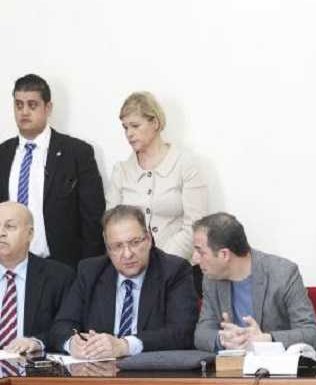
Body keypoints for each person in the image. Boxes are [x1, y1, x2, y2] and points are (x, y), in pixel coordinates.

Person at [49, 204, 197, 359]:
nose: (127, 254)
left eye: (135, 242)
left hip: (150, 369)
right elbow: (61, 326)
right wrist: (72, 343)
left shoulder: (174, 271)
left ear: (148, 240)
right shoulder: (90, 272)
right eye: (117, 246)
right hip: (97, 368)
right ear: (108, 249)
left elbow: (182, 332)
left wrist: (125, 345)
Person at [0, 73, 105, 268]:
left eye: (32, 105)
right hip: (8, 266)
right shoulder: (3, 154)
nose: (24, 112)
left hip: (61, 267)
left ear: (48, 108)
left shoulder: (76, 153)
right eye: (19, 105)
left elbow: (93, 218)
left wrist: (88, 271)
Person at [193, 212, 316, 354]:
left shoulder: (283, 273)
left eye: (201, 252)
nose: (195, 259)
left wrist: (267, 339)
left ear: (224, 254)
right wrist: (224, 339)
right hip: (233, 366)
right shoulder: (212, 279)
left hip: (276, 365)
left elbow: (313, 335)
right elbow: (201, 334)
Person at [106, 91, 208, 262]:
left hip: (177, 265)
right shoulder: (121, 170)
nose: (129, 134)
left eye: (135, 126)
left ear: (155, 123)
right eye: (125, 128)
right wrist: (132, 258)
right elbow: (111, 226)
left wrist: (162, 262)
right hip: (131, 265)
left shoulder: (185, 164)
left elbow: (197, 224)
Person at [0, 202, 74, 354]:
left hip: (32, 363)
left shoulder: (59, 276)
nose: (1, 233)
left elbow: (65, 328)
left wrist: (38, 342)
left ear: (30, 234)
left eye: (10, 226)